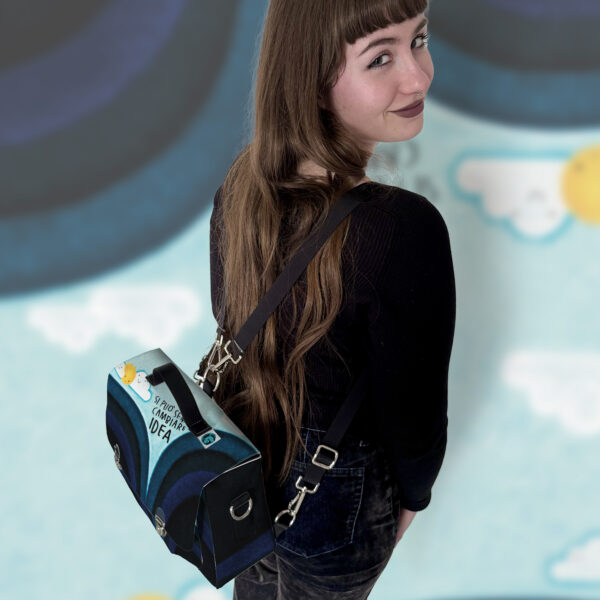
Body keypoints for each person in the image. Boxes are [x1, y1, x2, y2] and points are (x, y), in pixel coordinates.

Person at [208, 0, 456, 597]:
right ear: (313, 82)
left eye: (419, 39)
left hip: (241, 474)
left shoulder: (240, 186)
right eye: (380, 59)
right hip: (336, 497)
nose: (418, 77)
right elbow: (414, 411)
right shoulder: (401, 228)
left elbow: (231, 324)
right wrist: (412, 498)